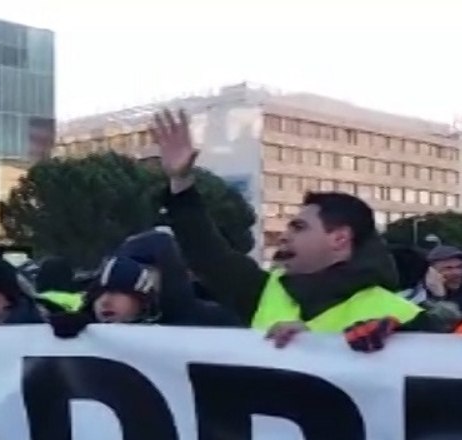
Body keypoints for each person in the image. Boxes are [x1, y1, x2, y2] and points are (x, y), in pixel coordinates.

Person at [151, 108, 439, 351]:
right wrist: (181, 183)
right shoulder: (264, 291)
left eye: (299, 227)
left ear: (339, 238)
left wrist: (332, 345)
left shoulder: (404, 317)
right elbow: (206, 253)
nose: (284, 236)